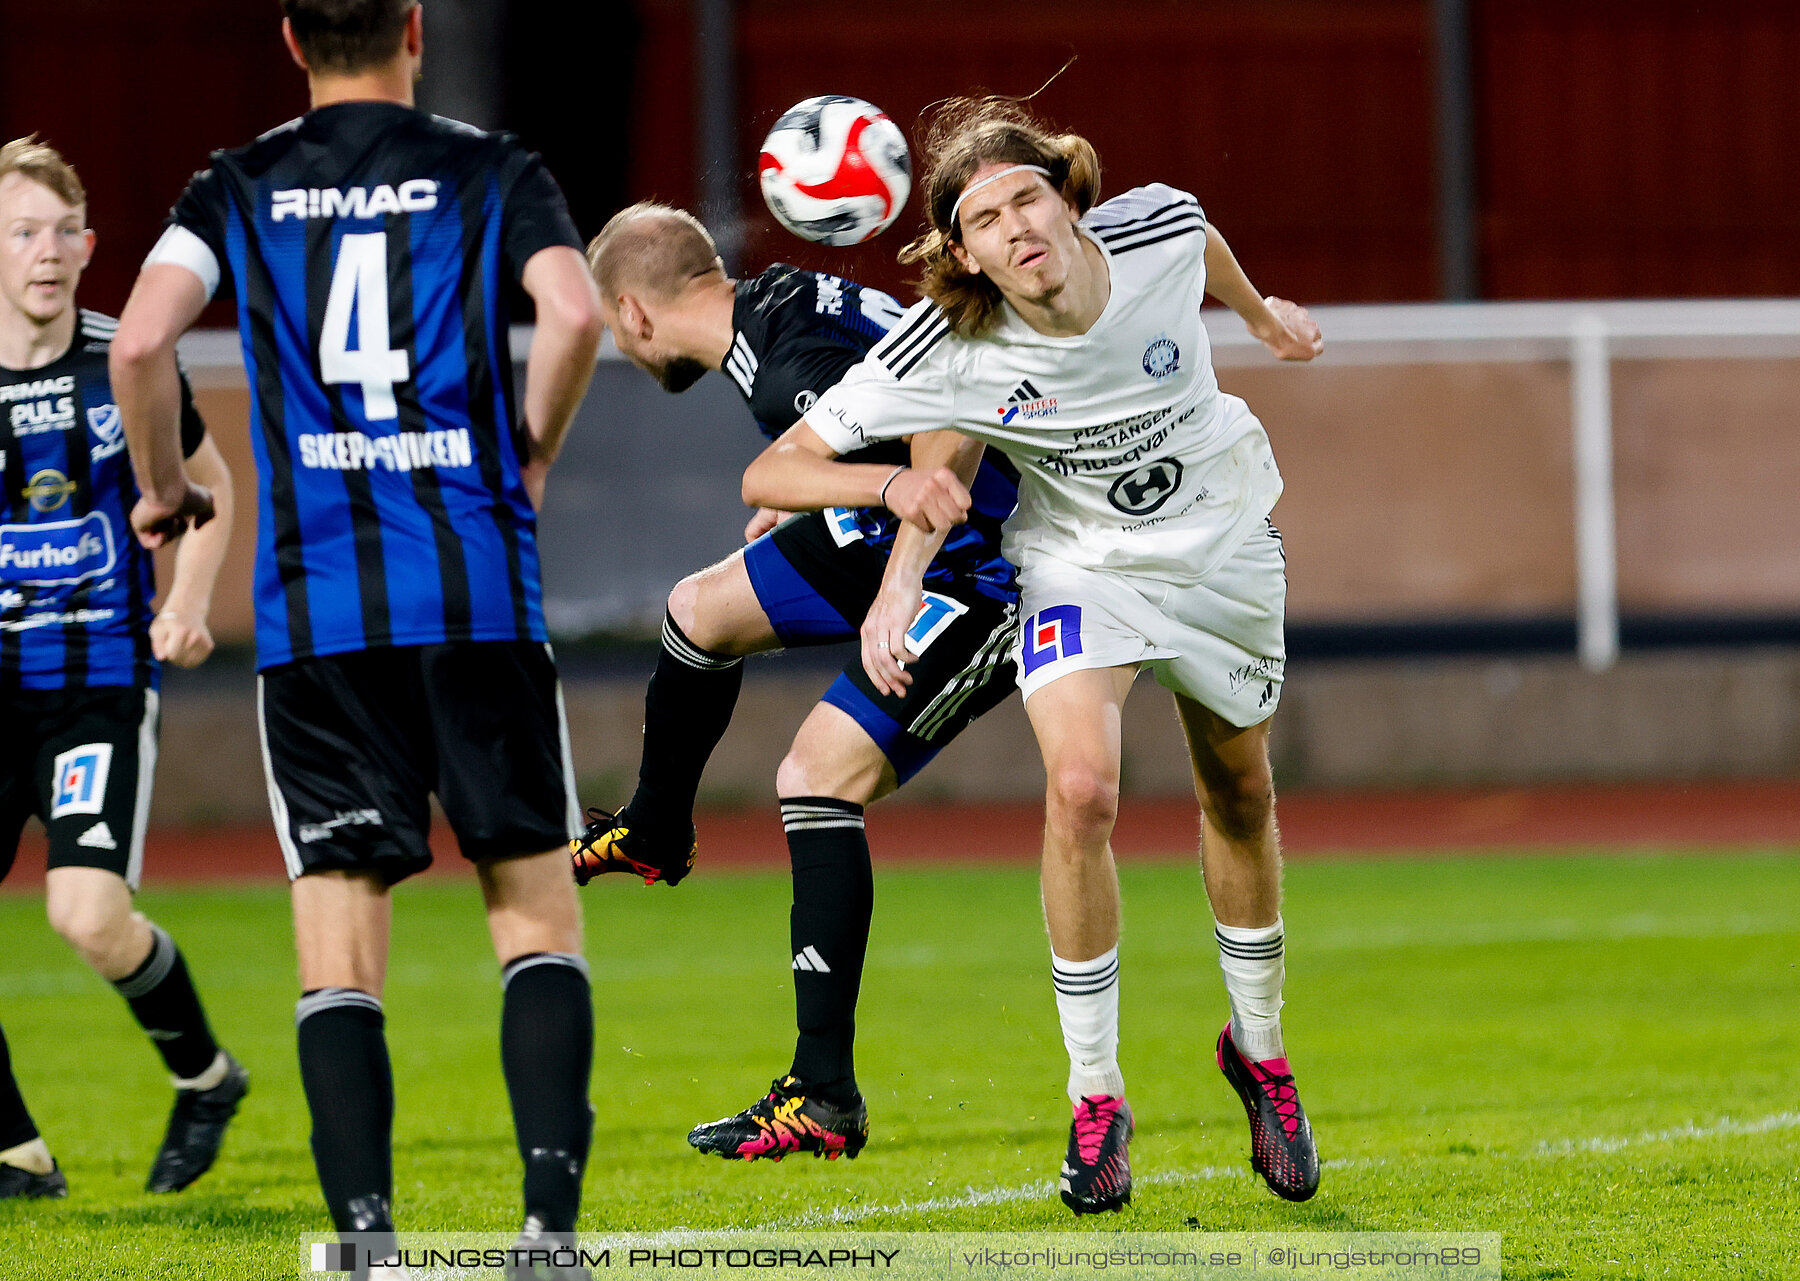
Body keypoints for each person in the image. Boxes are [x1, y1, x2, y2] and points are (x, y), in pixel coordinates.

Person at [739, 97, 1325, 1216]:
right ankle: (1097, 1097)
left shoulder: (1154, 230)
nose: (1015, 225)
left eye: (1028, 196)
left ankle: (1260, 1054)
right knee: (1080, 786)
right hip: (1076, 565)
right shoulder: (948, 344)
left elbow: (1202, 242)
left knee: (1240, 793)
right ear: (962, 252)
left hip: (1223, 544)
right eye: (984, 217)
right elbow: (772, 472)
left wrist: (1262, 318)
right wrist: (891, 494)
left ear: (1068, 198)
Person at [108, 2, 603, 1274]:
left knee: (338, 934)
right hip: (479, 590)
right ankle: (546, 1236)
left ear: (288, 38)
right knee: (534, 916)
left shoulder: (239, 183)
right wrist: (530, 451)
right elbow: (577, 311)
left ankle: (367, 1243)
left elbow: (147, 337)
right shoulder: (496, 170)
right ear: (415, 31)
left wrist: (160, 488)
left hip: (319, 615)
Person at [576, 203, 1020, 1161]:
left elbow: (941, 422)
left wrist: (885, 531)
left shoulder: (780, 359)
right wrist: (842, 490)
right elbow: (871, 413)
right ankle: (656, 827)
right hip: (903, 530)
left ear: (634, 314)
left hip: (976, 564)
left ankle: (823, 1095)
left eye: (616, 330)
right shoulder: (773, 305)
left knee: (814, 778)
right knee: (698, 609)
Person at [0, 136, 243, 1201]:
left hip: (96, 682)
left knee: (87, 916)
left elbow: (212, 484)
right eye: (20, 234)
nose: (45, 254)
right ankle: (15, 1150)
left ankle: (206, 1077)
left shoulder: (125, 361)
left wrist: (186, 603)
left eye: (61, 234)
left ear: (91, 246)